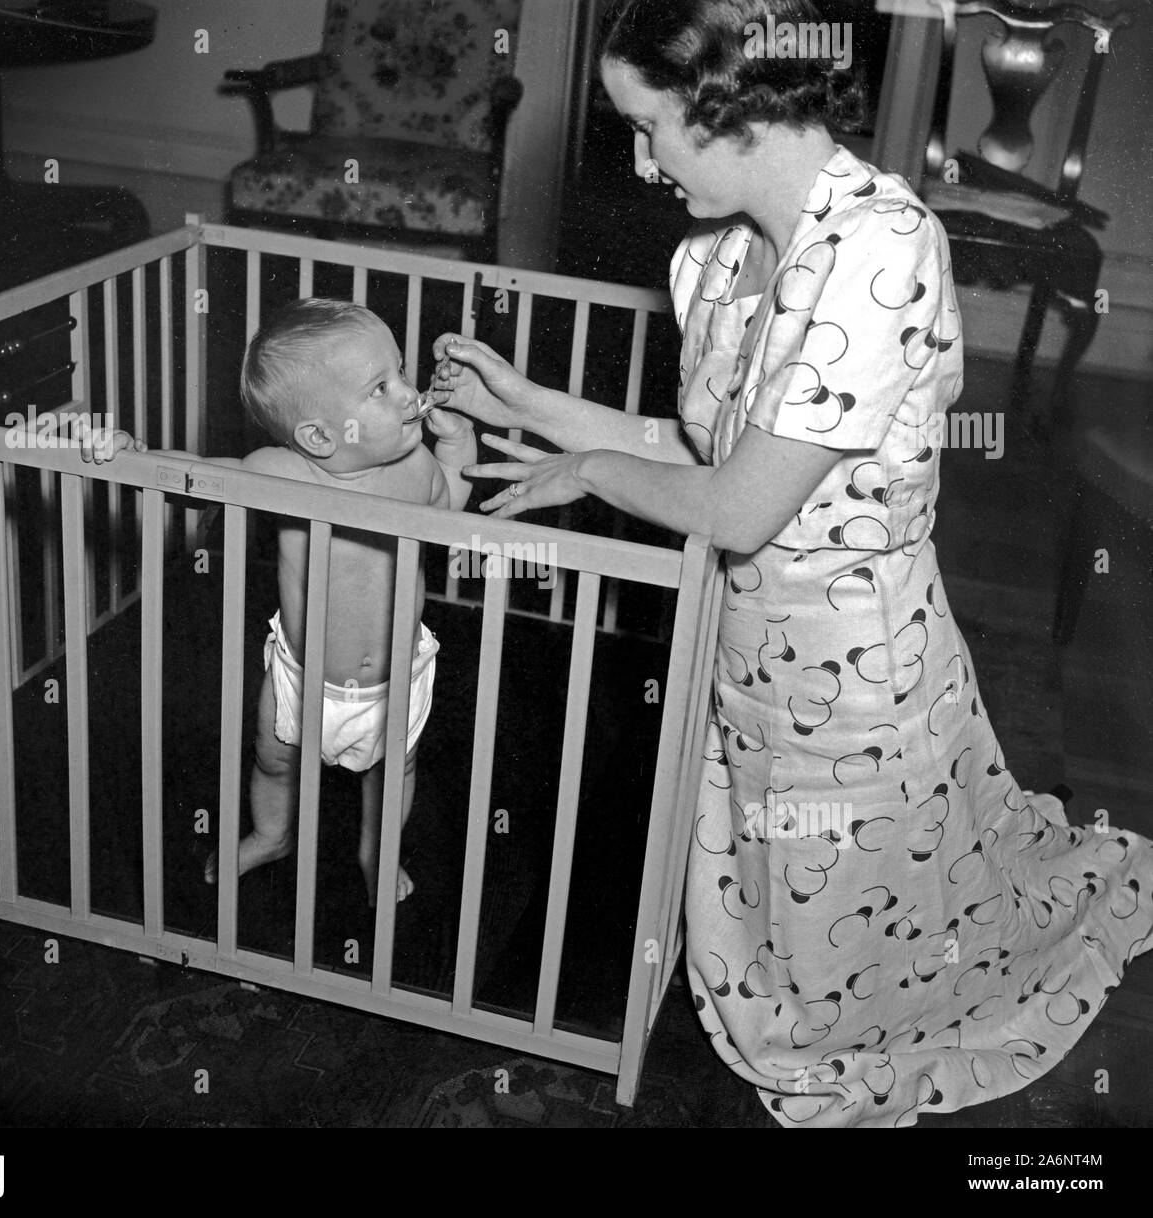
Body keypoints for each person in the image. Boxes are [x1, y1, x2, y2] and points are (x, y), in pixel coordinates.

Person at [429, 0, 1152, 1127]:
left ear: (724, 105)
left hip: (854, 666)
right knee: (776, 887)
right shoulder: (718, 255)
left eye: (649, 125)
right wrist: (531, 407)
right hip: (749, 642)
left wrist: (595, 477)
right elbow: (709, 448)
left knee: (855, 957)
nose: (641, 159)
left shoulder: (879, 248)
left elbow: (734, 506)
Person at [81, 298, 476, 906]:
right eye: (380, 388)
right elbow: (203, 478)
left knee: (393, 773)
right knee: (272, 761)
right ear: (318, 436)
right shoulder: (281, 476)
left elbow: (451, 509)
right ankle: (271, 834)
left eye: (399, 372)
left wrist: (457, 445)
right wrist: (135, 458)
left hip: (396, 681)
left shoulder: (416, 467)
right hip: (300, 676)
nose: (407, 394)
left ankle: (377, 850)